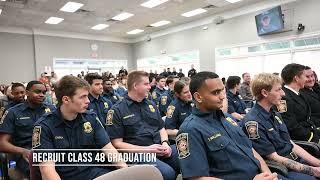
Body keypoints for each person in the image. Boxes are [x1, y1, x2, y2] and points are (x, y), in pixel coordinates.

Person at [176, 71, 277, 179]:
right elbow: (196, 178)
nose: (222, 97)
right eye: (215, 93)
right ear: (198, 97)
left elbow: (250, 149)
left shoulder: (227, 118)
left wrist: (268, 175)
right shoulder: (190, 129)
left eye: (222, 91)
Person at [32, 75, 127, 179]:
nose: (88, 101)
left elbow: (110, 150)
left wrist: (127, 174)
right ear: (66, 99)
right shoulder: (44, 126)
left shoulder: (91, 118)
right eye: (83, 97)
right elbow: (47, 171)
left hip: (95, 173)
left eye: (87, 96)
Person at [242, 73, 320, 179]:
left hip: (295, 160)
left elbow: (291, 144)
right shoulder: (253, 122)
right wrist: (313, 171)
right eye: (278, 90)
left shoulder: (275, 114)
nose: (283, 93)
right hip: (282, 168)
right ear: (265, 93)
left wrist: (317, 163)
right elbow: (273, 157)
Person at [106, 71, 180, 180]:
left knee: (187, 155)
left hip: (159, 148)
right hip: (137, 153)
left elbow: (161, 128)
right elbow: (116, 144)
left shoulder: (151, 104)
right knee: (167, 173)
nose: (150, 87)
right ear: (135, 86)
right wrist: (147, 149)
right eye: (146, 84)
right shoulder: (117, 110)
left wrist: (165, 143)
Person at [0, 81, 55, 178]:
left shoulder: (52, 110)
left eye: (44, 92)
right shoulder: (13, 112)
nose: (41, 95)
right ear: (27, 92)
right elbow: (2, 143)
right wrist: (23, 151)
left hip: (51, 151)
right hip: (25, 153)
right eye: (38, 92)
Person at [279, 63, 320, 143]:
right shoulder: (284, 98)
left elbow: (307, 119)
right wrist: (314, 138)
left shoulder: (298, 94)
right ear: (296, 78)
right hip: (302, 139)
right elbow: (291, 127)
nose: (307, 79)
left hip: (311, 131)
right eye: (305, 76)